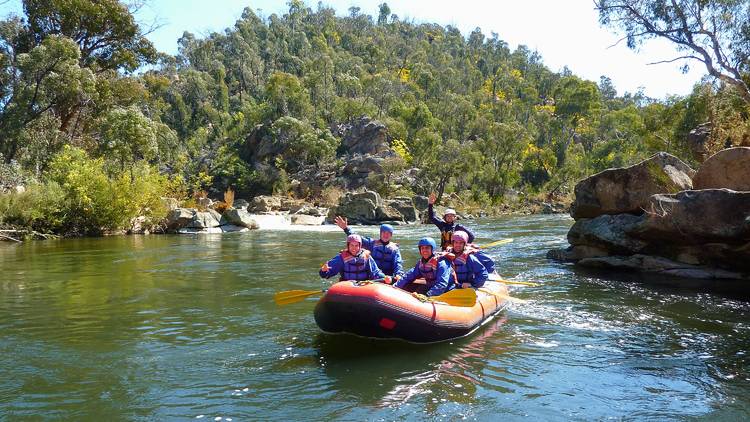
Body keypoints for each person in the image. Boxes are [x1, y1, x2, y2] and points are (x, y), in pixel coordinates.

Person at [334, 216, 404, 283]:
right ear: (380, 233)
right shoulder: (372, 243)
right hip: (373, 278)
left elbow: (398, 263)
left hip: (388, 278)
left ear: (391, 235)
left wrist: (399, 274)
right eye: (384, 233)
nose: (386, 235)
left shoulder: (395, 249)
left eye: (388, 233)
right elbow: (357, 238)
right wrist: (346, 228)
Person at [319, 234, 385, 281]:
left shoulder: (366, 256)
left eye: (356, 246)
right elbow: (326, 274)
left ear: (360, 246)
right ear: (348, 246)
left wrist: (385, 277)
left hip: (363, 285)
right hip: (347, 285)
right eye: (352, 245)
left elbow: (375, 272)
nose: (354, 248)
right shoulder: (341, 258)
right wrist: (323, 271)